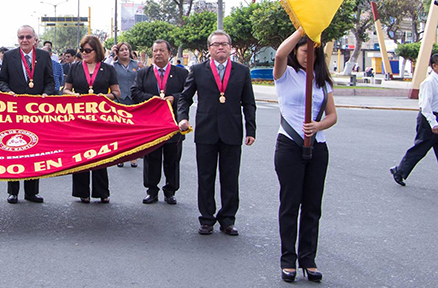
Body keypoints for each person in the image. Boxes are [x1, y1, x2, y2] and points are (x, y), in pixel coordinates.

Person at [177, 30, 256, 236]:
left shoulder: (241, 71)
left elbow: (249, 103)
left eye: (224, 44)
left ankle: (228, 219)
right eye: (216, 44)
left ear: (231, 48)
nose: (220, 47)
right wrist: (182, 117)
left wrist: (251, 129)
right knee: (206, 177)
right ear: (209, 49)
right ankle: (206, 219)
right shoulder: (197, 70)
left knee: (230, 178)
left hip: (232, 131)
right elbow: (185, 97)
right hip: (206, 131)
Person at [273, 29, 337, 283]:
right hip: (289, 145)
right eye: (303, 50)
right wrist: (304, 27)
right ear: (297, 52)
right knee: (290, 205)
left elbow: (332, 115)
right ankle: (288, 259)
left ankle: (308, 259)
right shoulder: (286, 74)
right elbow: (279, 54)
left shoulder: (322, 80)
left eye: (312, 51)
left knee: (312, 207)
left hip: (317, 147)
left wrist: (319, 126)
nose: (307, 55)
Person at [0, 25, 55, 204]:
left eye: (28, 37)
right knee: (14, 149)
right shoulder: (8, 56)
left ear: (34, 39)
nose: (24, 40)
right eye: (21, 37)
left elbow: (50, 81)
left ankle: (32, 192)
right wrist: (8, 93)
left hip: (36, 113)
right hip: (14, 112)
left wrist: (46, 94)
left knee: (33, 151)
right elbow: (2, 82)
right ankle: (12, 191)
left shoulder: (44, 56)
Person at [63, 35, 120, 203]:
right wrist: (75, 95)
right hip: (79, 117)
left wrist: (105, 96)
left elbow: (117, 93)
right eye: (82, 50)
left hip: (100, 117)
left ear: (97, 51)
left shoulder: (108, 69)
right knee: (80, 154)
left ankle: (102, 191)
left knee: (100, 153)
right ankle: (82, 192)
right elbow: (65, 89)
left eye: (88, 50)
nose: (84, 53)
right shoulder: (74, 68)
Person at [131, 40, 188, 204]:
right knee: (151, 158)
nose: (158, 54)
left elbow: (187, 94)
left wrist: (173, 98)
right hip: (151, 125)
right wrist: (153, 100)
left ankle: (170, 191)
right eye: (155, 51)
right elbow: (135, 92)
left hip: (173, 124)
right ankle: (151, 190)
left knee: (172, 159)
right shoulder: (143, 73)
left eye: (162, 51)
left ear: (169, 53)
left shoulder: (181, 74)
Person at [390, 53, 438, 186]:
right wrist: (434, 124)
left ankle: (399, 170)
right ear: (434, 66)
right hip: (428, 119)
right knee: (420, 148)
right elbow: (425, 106)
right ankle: (399, 171)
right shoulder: (429, 82)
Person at [111, 42, 140, 168]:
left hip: (134, 99)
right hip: (119, 99)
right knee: (120, 129)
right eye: (122, 50)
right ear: (117, 53)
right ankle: (121, 155)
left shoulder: (136, 64)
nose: (125, 52)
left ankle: (133, 156)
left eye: (127, 49)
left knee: (134, 129)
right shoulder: (113, 66)